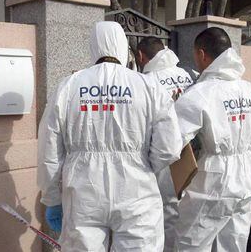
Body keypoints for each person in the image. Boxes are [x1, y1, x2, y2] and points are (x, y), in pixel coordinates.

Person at [37, 21, 183, 251]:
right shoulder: (148, 85)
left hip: (83, 189)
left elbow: (49, 149)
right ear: (123, 46)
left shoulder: (69, 86)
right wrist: (142, 165)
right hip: (137, 191)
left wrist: (52, 197)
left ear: (92, 47)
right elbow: (169, 146)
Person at [174, 27, 251, 252]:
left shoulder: (201, 93)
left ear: (202, 54)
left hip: (213, 181)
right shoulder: (250, 91)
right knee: (233, 244)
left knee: (191, 243)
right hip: (246, 180)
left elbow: (170, 141)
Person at [136, 37, 197, 252]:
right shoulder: (189, 75)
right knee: (189, 213)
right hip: (194, 154)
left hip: (163, 154)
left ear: (141, 56)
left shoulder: (147, 81)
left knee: (165, 213)